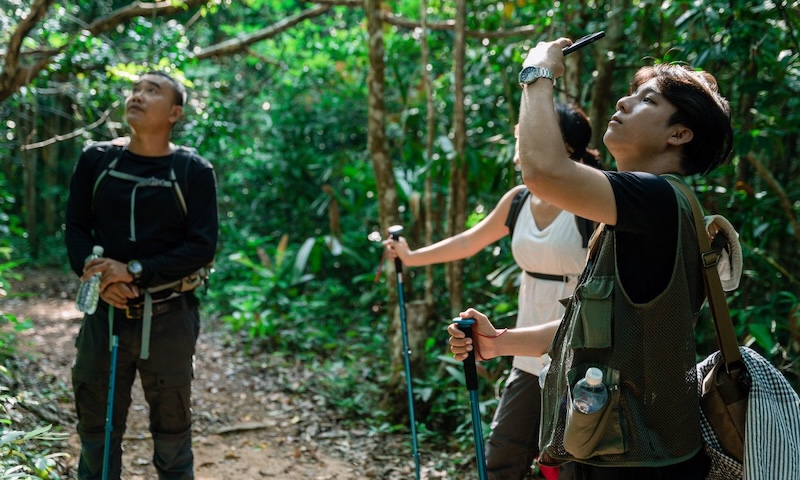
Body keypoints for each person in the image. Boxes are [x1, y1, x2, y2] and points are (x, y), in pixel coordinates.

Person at [448, 37, 733, 480]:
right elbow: (595, 328)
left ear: (679, 134)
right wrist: (500, 342)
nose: (623, 101)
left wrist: (538, 71)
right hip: (624, 449)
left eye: (647, 100)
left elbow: (541, 170)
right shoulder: (646, 209)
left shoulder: (657, 198)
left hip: (639, 461)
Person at [385, 104, 599, 480]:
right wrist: (412, 257)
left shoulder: (593, 196)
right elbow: (470, 241)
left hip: (580, 354)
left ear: (563, 146)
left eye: (527, 137)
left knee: (573, 465)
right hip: (525, 352)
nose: (519, 148)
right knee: (503, 454)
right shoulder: (519, 199)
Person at [65, 70, 219, 479]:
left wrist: (134, 272)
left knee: (172, 434)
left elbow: (202, 246)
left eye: (153, 91)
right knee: (96, 432)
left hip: (169, 318)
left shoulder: (193, 171)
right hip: (105, 316)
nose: (138, 96)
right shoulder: (96, 160)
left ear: (175, 112)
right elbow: (76, 229)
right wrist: (101, 278)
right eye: (136, 89)